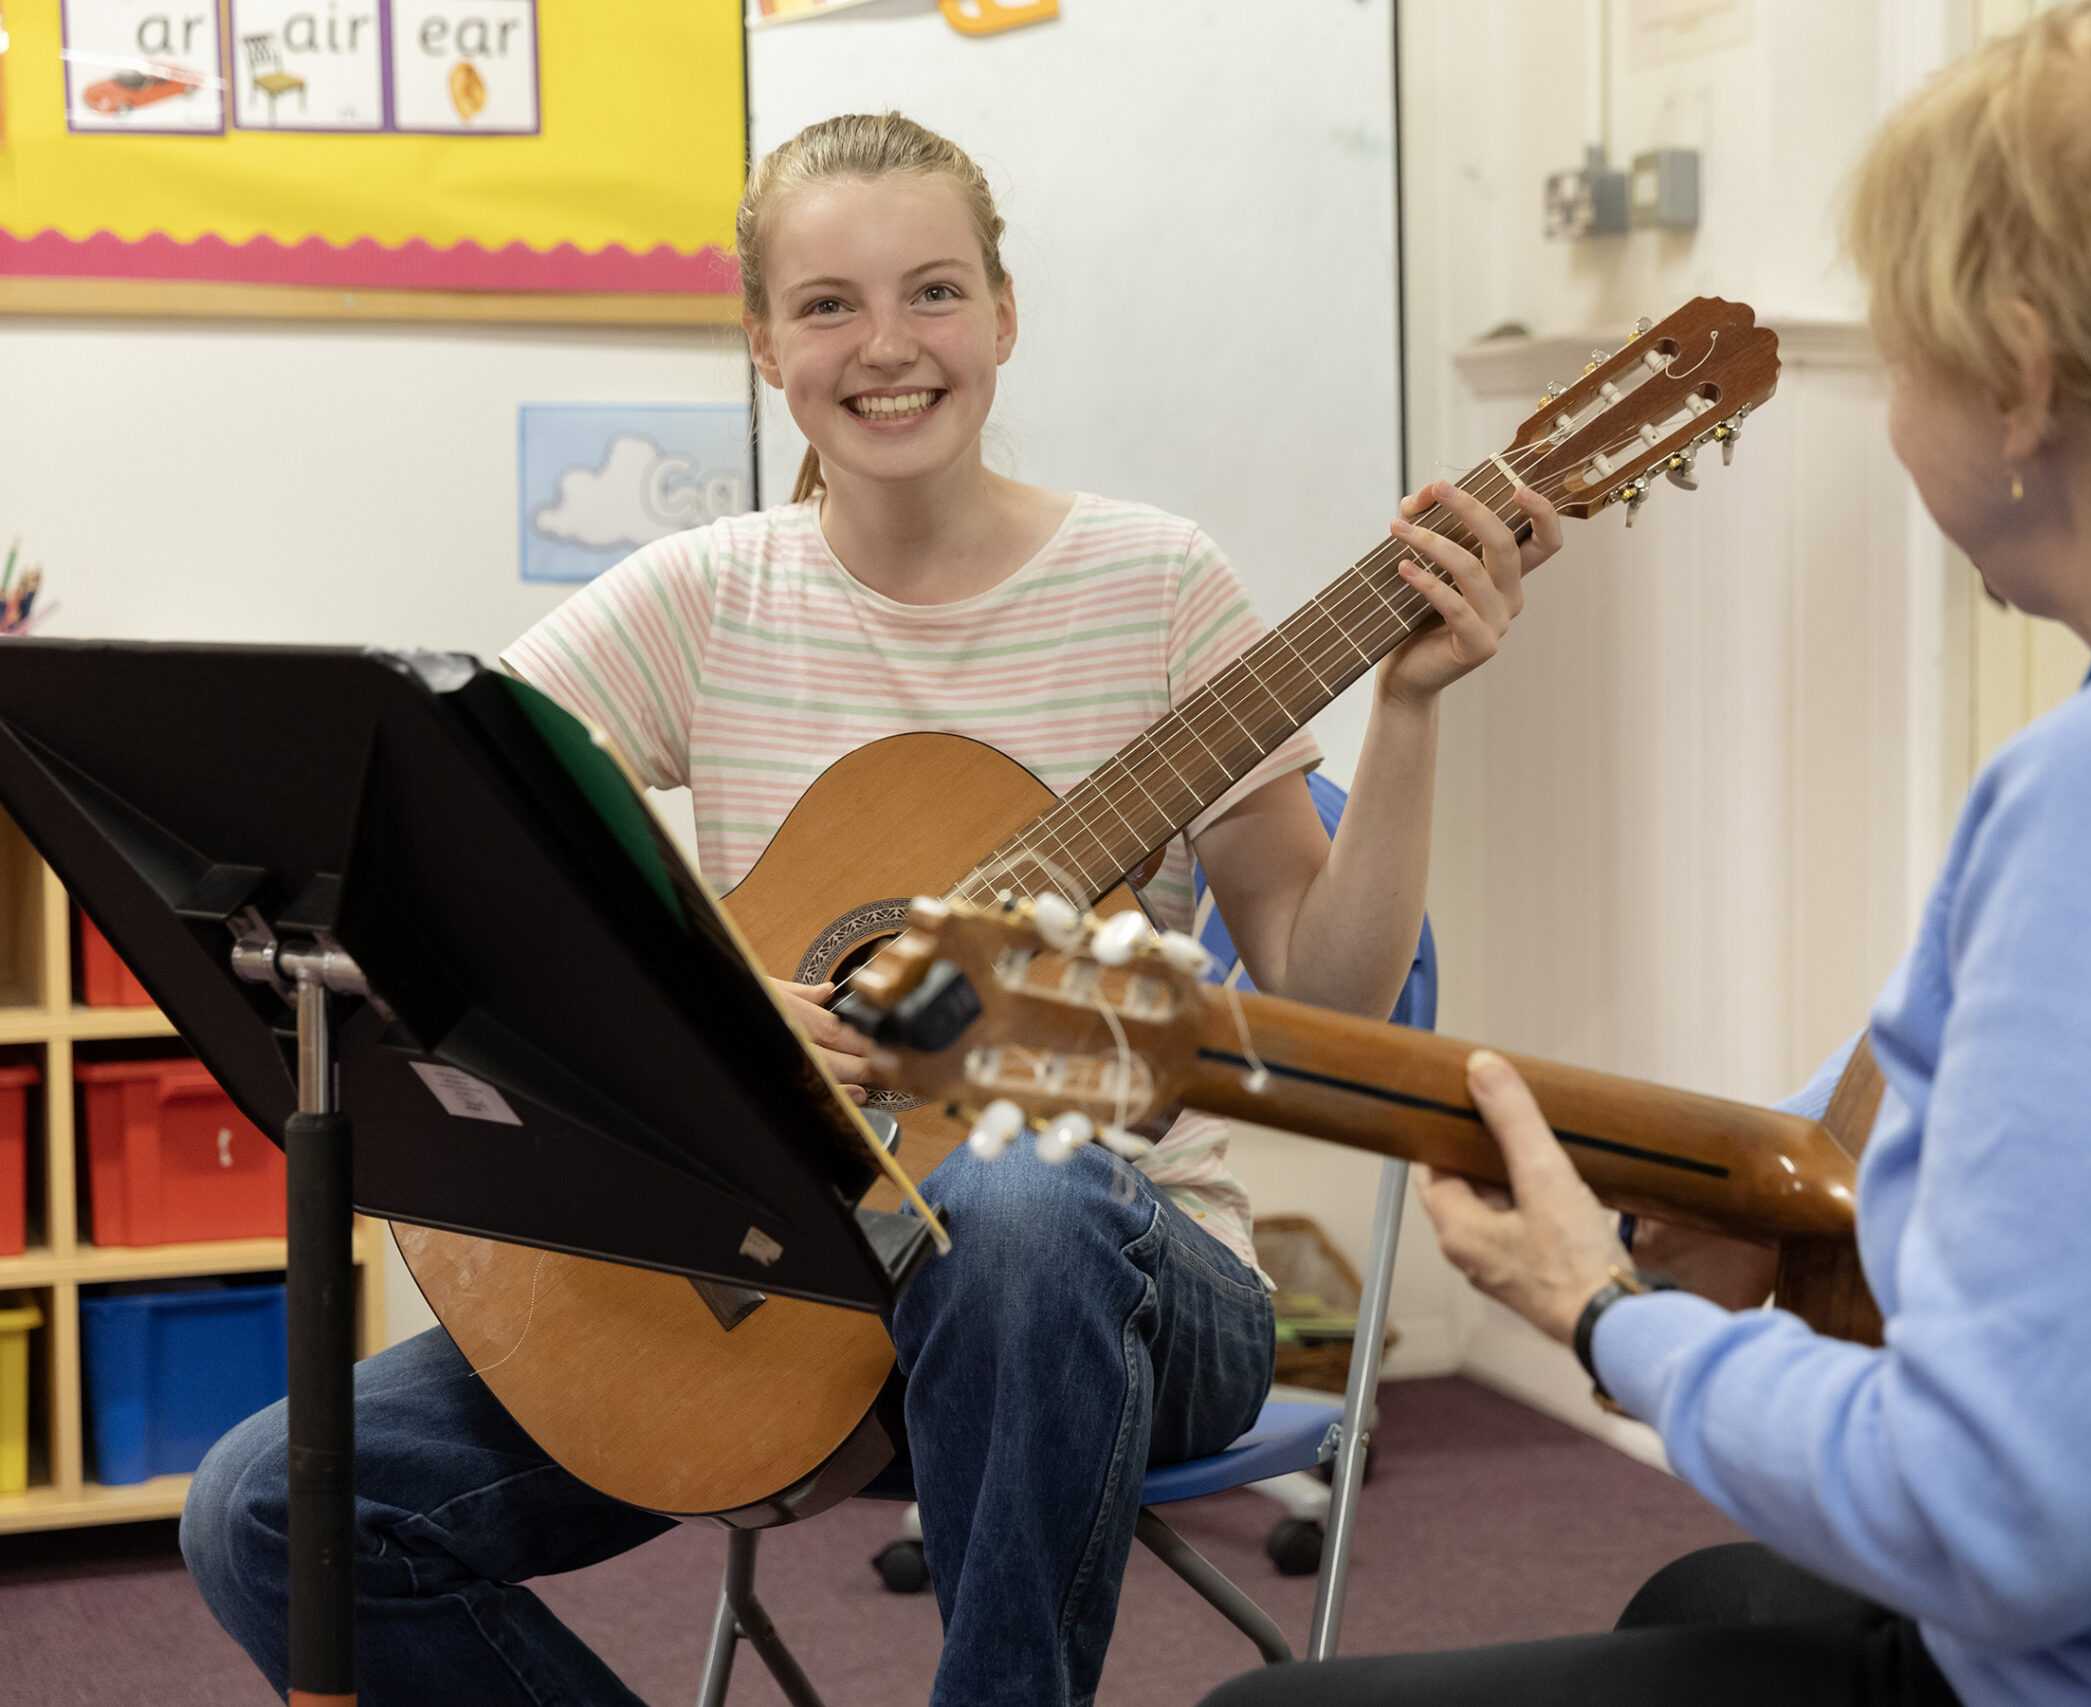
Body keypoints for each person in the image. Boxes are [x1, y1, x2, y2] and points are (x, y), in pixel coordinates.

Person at [1205, 7, 2091, 1705]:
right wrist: (1783, 1221)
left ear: (2021, 379)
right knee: (1707, 1599)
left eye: (1907, 359)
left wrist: (1609, 1318)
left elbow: (1997, 1519)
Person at [180, 112, 1560, 1707]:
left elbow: (1333, 987)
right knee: (268, 1507)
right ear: (763, 341)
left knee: (1017, 1202)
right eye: (828, 304)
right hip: (793, 1277)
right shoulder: (707, 595)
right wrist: (715, 1015)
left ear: (1005, 316)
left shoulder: (1162, 585)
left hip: (1127, 1279)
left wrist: (1408, 714)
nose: (887, 347)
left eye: (934, 293)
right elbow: (446, 828)